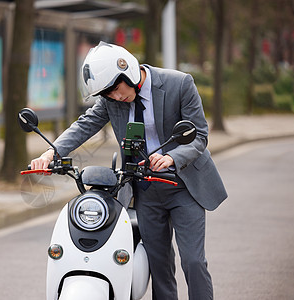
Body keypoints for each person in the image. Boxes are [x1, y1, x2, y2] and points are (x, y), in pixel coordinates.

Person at [31, 41, 227, 300]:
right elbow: (85, 125)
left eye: (115, 89)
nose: (115, 97)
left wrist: (170, 157)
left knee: (193, 261)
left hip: (183, 184)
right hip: (144, 188)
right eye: (108, 94)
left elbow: (199, 136)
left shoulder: (179, 84)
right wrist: (50, 153)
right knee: (158, 265)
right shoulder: (111, 99)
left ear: (128, 72)